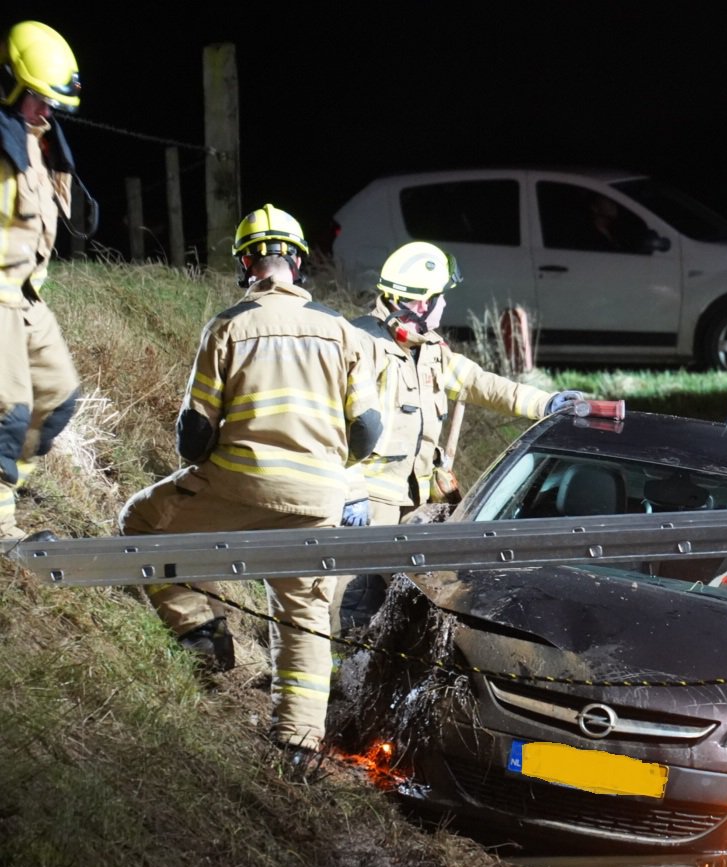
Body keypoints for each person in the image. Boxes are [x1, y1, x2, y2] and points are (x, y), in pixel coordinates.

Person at [119, 204, 382, 771]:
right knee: (305, 614)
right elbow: (367, 431)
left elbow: (195, 434)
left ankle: (199, 628)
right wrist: (330, 466)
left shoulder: (229, 326)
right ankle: (299, 747)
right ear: (298, 261)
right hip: (317, 499)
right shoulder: (342, 331)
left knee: (139, 524)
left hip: (235, 487)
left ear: (247, 263)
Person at [334, 240, 586, 630]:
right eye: (440, 298)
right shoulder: (360, 345)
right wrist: (351, 490)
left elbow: (480, 383)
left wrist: (547, 404)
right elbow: (335, 425)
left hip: (414, 501)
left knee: (404, 608)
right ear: (420, 304)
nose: (445, 306)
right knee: (356, 599)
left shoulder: (430, 348)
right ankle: (337, 680)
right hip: (370, 501)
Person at [0, 21, 86, 541]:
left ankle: (5, 486)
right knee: (8, 414)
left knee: (58, 400)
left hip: (28, 298)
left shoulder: (41, 142)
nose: (47, 111)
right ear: (10, 83)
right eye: (38, 99)